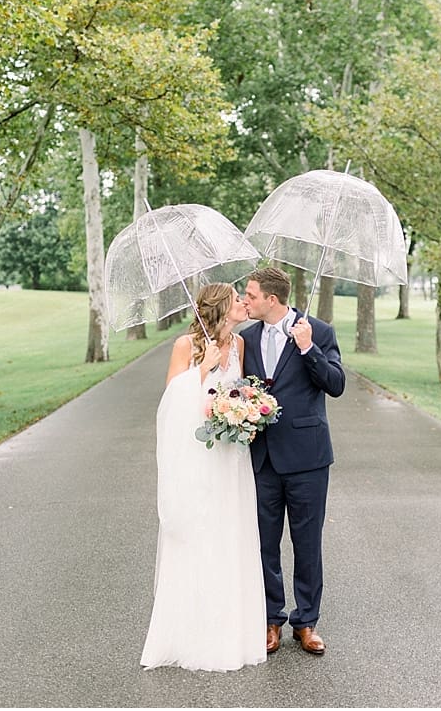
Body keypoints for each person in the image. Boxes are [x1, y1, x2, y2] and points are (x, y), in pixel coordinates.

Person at [141, 282, 265, 672]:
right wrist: (205, 368)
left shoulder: (242, 346)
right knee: (200, 530)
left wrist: (247, 407)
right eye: (237, 300)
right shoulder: (186, 345)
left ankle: (232, 631)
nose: (244, 304)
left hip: (232, 455)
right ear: (220, 307)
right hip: (200, 454)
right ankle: (191, 632)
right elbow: (171, 404)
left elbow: (238, 391)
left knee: (232, 532)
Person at [241, 266, 345, 657]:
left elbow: (335, 385)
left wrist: (307, 348)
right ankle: (271, 620)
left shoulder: (317, 330)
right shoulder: (245, 338)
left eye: (250, 295)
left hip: (307, 457)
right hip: (262, 456)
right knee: (264, 544)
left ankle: (307, 622)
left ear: (272, 298)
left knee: (307, 543)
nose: (245, 301)